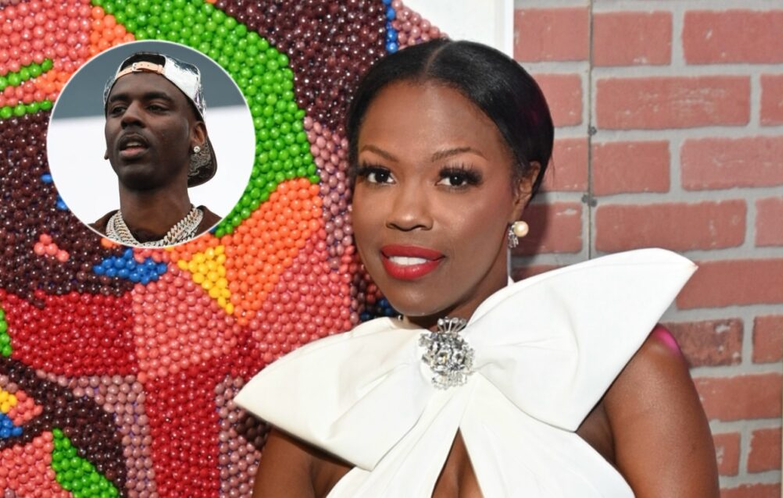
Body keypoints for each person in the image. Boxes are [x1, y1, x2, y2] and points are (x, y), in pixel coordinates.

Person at [235, 39, 720, 497]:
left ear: (521, 188)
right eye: (379, 174)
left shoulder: (620, 370)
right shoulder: (317, 406)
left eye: (454, 178)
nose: (406, 213)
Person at [90, 51, 221, 247]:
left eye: (155, 107)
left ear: (197, 135)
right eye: (117, 110)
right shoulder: (76, 245)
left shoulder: (233, 241)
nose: (129, 117)